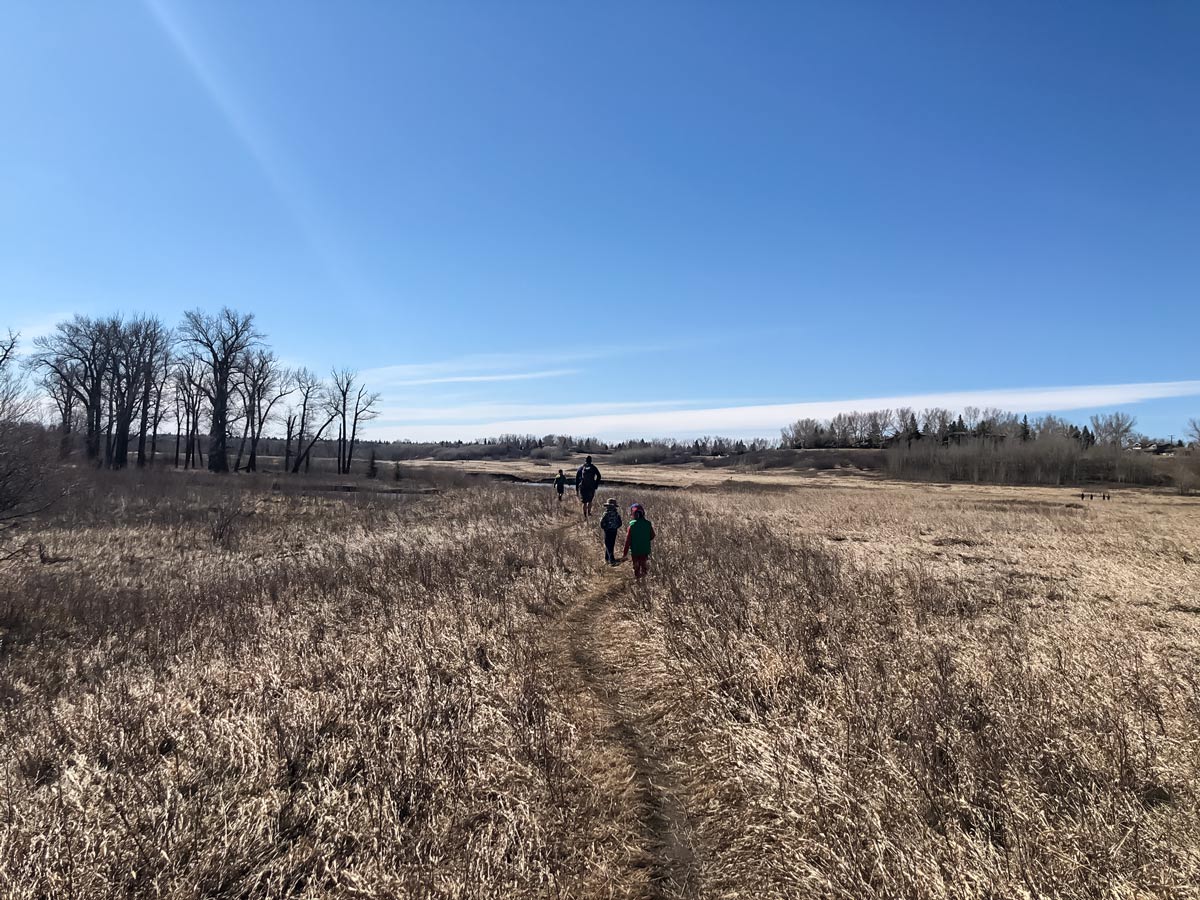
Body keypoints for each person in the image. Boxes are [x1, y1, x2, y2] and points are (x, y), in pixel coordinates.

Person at [622, 502, 655, 579]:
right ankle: (644, 581)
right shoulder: (648, 524)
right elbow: (653, 535)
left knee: (636, 567)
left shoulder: (632, 525)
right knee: (644, 566)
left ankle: (638, 580)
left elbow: (628, 540)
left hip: (635, 550)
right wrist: (645, 540)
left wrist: (625, 553)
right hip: (645, 549)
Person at [599, 498, 623, 565]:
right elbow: (620, 523)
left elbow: (601, 523)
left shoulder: (606, 514)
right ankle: (607, 558)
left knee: (607, 544)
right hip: (614, 530)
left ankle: (611, 559)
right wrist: (616, 527)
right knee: (611, 544)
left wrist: (604, 527)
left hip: (607, 531)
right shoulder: (616, 514)